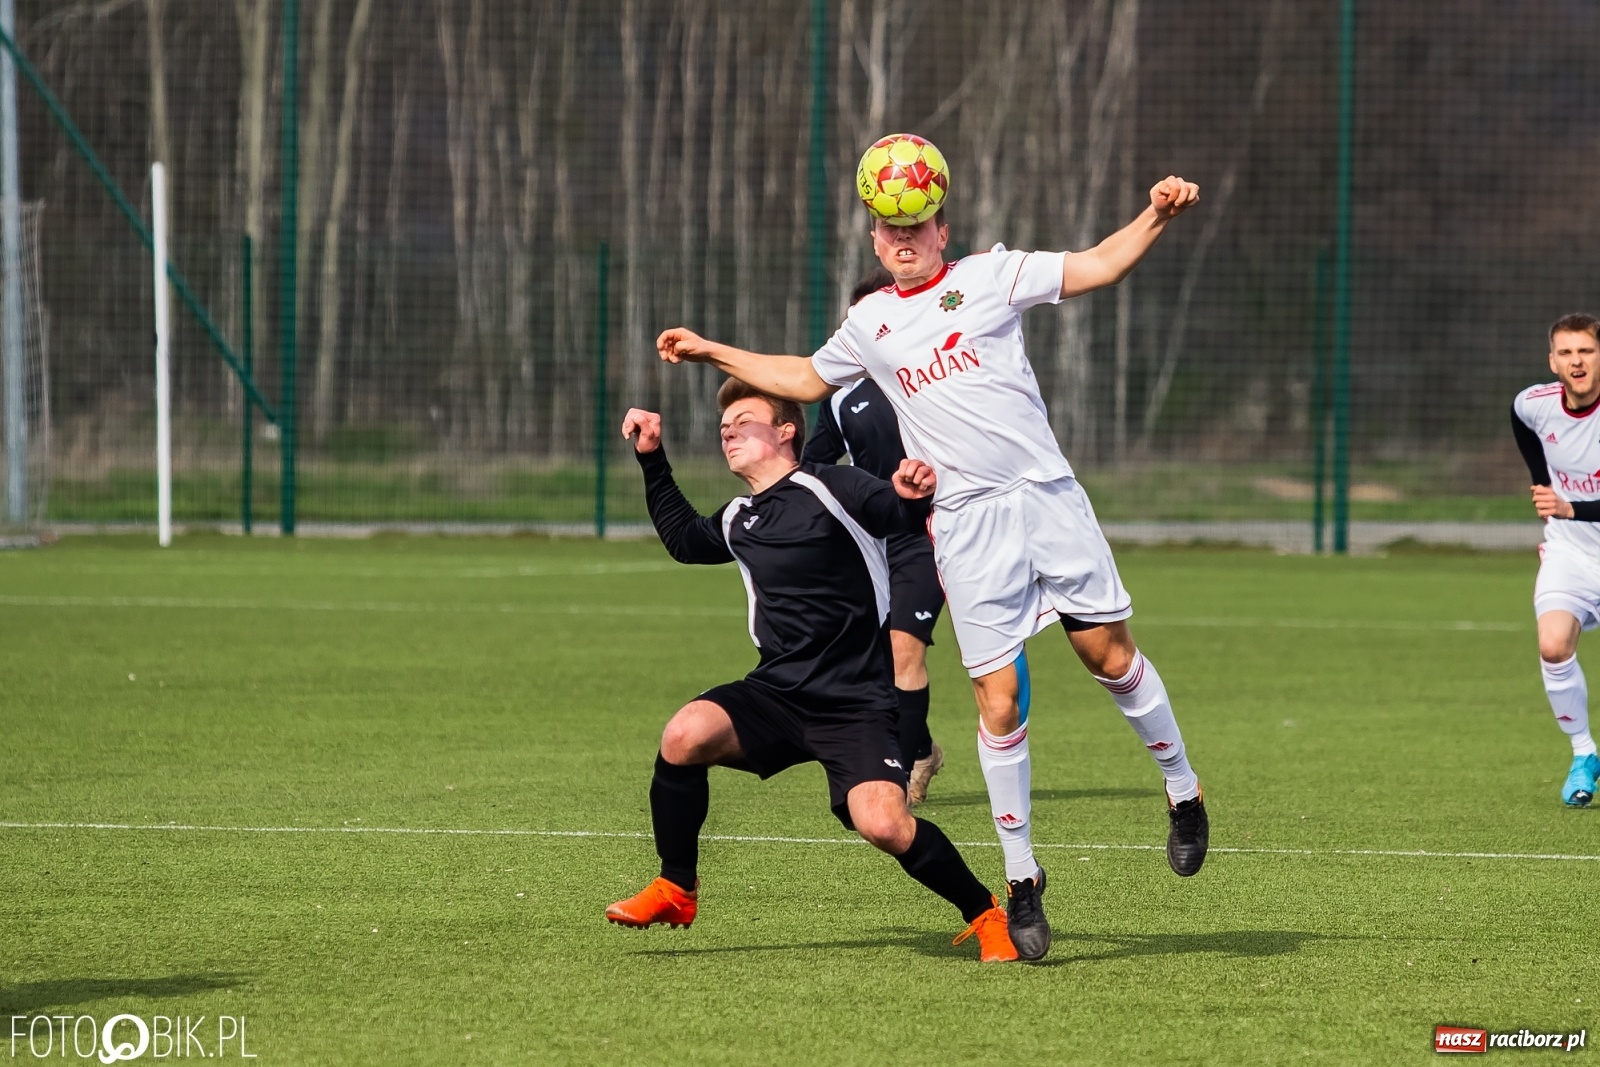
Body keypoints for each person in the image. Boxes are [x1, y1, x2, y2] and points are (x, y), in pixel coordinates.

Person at [654, 170, 1210, 962]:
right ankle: (1021, 881)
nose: (904, 238)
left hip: (1045, 496)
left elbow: (1099, 266)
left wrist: (1155, 215)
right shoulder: (870, 321)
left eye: (918, 224)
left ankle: (1184, 791)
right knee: (998, 698)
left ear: (942, 231)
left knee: (1106, 655)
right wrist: (712, 350)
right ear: (876, 241)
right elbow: (806, 378)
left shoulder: (992, 274)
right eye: (889, 227)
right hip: (967, 523)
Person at [605, 378, 1019, 962]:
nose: (728, 430)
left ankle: (986, 915)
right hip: (777, 691)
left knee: (884, 825)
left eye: (743, 420)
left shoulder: (831, 485)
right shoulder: (739, 516)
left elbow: (895, 510)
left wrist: (910, 493)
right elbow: (684, 539)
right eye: (724, 425)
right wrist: (651, 456)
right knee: (684, 734)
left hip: (858, 701)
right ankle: (677, 887)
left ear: (785, 430)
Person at [805, 267, 947, 805]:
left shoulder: (930, 372)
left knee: (903, 650)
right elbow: (814, 465)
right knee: (879, 660)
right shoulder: (840, 397)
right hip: (881, 543)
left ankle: (903, 768)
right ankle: (922, 747)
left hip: (936, 531)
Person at [1510, 312, 1600, 807]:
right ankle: (1584, 752)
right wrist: (1541, 481)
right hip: (1571, 551)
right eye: (1566, 352)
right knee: (1552, 645)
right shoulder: (1535, 403)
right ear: (1553, 360)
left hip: (1576, 521)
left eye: (1585, 350)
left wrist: (1571, 505)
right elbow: (1518, 416)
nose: (1576, 361)